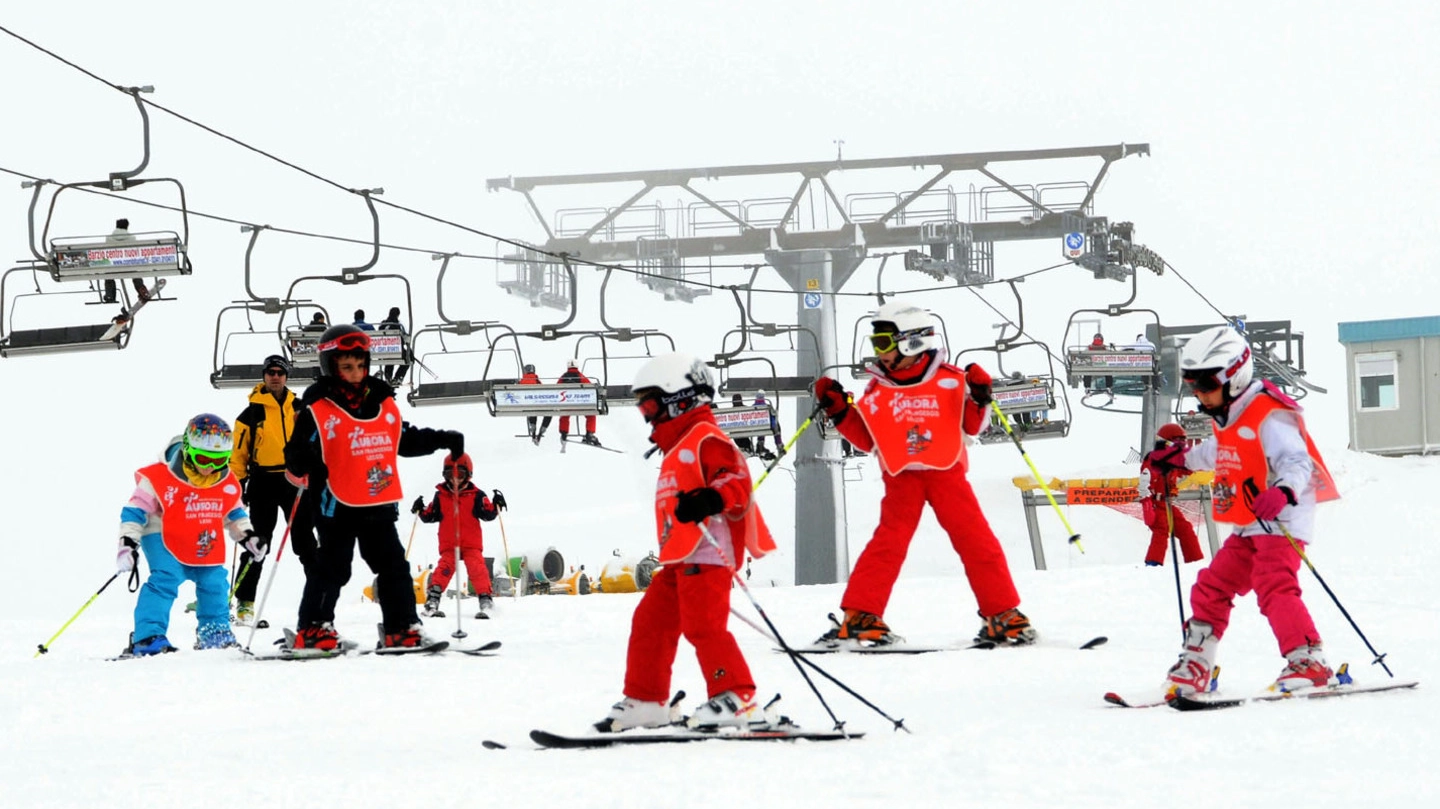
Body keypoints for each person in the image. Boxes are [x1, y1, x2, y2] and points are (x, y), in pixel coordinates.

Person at [811, 301, 1036, 647]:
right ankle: (860, 615)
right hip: (902, 476)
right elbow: (869, 440)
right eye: (876, 344)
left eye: (885, 343)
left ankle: (1003, 614)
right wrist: (840, 410)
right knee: (888, 543)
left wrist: (979, 397)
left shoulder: (950, 380)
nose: (880, 353)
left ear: (911, 341)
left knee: (977, 541)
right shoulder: (878, 388)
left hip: (947, 473)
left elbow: (972, 427)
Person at [1149, 325, 1339, 696]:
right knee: (1211, 586)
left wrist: (1283, 492)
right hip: (1251, 522)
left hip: (1283, 519)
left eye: (1206, 385)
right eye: (1193, 387)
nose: (1200, 395)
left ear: (1233, 376)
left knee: (1274, 586)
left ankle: (1309, 661)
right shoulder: (1230, 413)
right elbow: (1219, 453)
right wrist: (1180, 458)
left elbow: (1298, 462)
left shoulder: (1269, 413)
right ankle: (1197, 665)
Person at [596, 352, 777, 732]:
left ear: (681, 399)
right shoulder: (679, 445)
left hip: (708, 554)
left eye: (650, 406)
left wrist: (711, 498)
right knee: (650, 623)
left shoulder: (705, 438)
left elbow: (736, 480)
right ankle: (647, 700)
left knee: (704, 626)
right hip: (680, 558)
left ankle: (737, 696)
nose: (646, 417)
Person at [283, 324, 466, 650]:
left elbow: (404, 440)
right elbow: (295, 458)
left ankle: (402, 628)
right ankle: (313, 629)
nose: (356, 373)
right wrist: (306, 460)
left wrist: (443, 439)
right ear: (331, 367)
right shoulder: (318, 409)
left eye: (361, 365)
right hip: (335, 504)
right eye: (347, 367)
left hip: (377, 504)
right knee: (334, 568)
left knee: (394, 567)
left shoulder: (382, 404)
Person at [115, 414, 266, 655]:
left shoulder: (224, 481)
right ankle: (148, 636)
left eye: (219, 461)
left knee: (214, 580)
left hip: (202, 533)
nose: (210, 467)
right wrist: (128, 543)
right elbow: (135, 511)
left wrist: (249, 537)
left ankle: (214, 631)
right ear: (188, 449)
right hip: (163, 532)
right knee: (165, 578)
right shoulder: (159, 478)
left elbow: (234, 513)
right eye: (204, 458)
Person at [228, 354, 313, 625]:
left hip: (294, 480)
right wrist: (237, 484)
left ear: (287, 376)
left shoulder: (299, 407)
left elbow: (315, 441)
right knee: (258, 542)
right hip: (263, 480)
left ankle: (321, 593)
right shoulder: (251, 412)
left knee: (305, 541)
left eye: (280, 372)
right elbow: (239, 453)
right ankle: (245, 603)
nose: (275, 376)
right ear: (264, 376)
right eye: (271, 372)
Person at [411, 453, 501, 619]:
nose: (455, 479)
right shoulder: (441, 496)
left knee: (477, 568)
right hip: (449, 544)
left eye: (459, 474)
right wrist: (420, 510)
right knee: (443, 570)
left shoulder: (476, 495)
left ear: (468, 474)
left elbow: (487, 514)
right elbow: (430, 515)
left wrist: (496, 506)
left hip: (470, 544)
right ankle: (432, 601)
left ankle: (486, 601)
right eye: (449, 475)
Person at [1137, 423, 1203, 567]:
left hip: (1167, 504)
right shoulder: (1154, 460)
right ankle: (1153, 563)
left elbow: (1187, 469)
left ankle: (1195, 562)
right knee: (1162, 530)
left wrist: (1197, 454)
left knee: (1185, 528)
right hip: (1157, 504)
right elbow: (1144, 483)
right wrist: (1147, 505)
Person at [557, 359, 601, 447]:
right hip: (581, 404)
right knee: (591, 415)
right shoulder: (581, 377)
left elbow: (557, 388)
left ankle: (564, 433)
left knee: (564, 415)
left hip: (567, 405)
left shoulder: (563, 377)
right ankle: (589, 433)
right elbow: (590, 388)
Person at [377, 306, 410, 385]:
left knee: (389, 357)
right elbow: (406, 338)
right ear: (398, 315)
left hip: (383, 352)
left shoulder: (383, 324)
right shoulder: (399, 325)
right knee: (409, 357)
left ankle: (388, 376)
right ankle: (398, 377)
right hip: (397, 351)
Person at [519, 364, 551, 445]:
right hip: (536, 404)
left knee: (531, 409)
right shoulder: (536, 380)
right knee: (549, 412)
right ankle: (541, 431)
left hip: (526, 405)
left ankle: (533, 428)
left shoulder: (522, 381)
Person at [752, 389, 781, 462]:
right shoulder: (767, 406)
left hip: (756, 427)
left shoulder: (753, 407)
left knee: (761, 425)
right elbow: (773, 416)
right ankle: (779, 444)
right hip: (767, 426)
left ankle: (760, 444)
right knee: (775, 426)